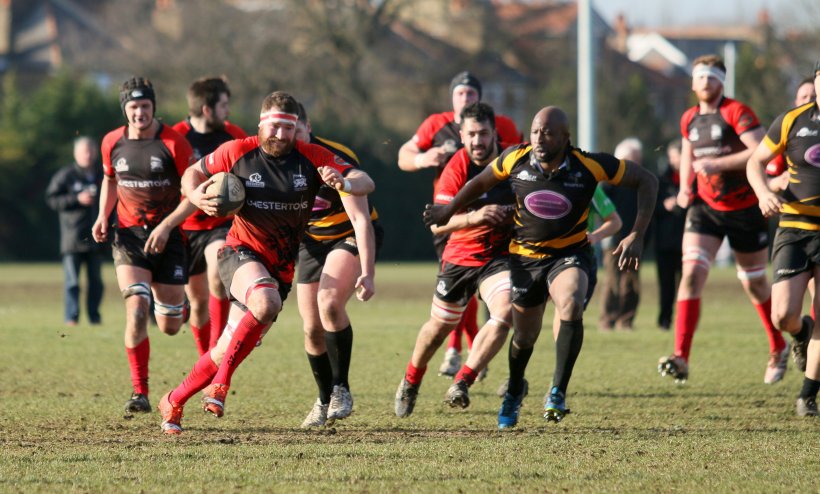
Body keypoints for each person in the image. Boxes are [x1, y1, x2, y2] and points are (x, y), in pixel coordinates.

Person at [156, 91, 375, 435]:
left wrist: (344, 182)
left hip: (281, 269)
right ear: (261, 124)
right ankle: (221, 388)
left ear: (297, 129)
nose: (279, 135)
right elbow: (191, 174)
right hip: (239, 253)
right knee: (265, 301)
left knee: (226, 349)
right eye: (273, 126)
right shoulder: (238, 150)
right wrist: (196, 195)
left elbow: (367, 181)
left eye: (287, 128)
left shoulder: (312, 156)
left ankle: (174, 399)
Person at [425, 106, 658, 429]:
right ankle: (515, 389)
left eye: (547, 132)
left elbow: (647, 180)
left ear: (566, 137)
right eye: (535, 131)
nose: (539, 138)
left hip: (569, 255)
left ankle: (557, 391)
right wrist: (448, 210)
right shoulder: (514, 158)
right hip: (524, 258)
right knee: (524, 337)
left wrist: (636, 234)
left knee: (571, 303)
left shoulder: (589, 165)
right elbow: (479, 183)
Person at [658, 55, 789, 385]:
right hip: (706, 209)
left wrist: (720, 164)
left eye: (712, 77)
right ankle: (681, 357)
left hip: (745, 208)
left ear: (722, 82)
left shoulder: (737, 112)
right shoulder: (689, 118)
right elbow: (689, 152)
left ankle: (778, 346)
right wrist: (686, 188)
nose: (705, 82)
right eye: (700, 77)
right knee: (690, 275)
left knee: (755, 283)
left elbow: (761, 150)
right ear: (692, 82)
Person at [398, 71, 523, 378]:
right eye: (459, 93)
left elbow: (524, 162)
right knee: (455, 300)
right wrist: (423, 159)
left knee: (503, 302)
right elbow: (404, 155)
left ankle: (469, 360)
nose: (465, 98)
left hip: (501, 229)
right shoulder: (436, 124)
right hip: (452, 220)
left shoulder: (505, 127)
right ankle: (457, 348)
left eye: (470, 93)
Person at [92, 77, 196, 413]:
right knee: (136, 308)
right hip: (129, 237)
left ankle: (181, 308)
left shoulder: (174, 143)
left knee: (169, 326)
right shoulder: (111, 142)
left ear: (153, 107)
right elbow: (110, 180)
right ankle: (140, 393)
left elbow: (192, 194)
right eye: (134, 107)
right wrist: (101, 216)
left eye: (145, 106)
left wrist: (168, 226)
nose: (140, 113)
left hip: (169, 236)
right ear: (125, 109)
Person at [294, 103, 380, 427]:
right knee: (311, 327)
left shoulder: (329, 156)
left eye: (297, 132)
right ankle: (323, 398)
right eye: (288, 133)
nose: (293, 140)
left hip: (348, 235)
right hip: (311, 244)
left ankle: (341, 387)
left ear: (308, 126)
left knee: (328, 302)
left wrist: (368, 274)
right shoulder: (279, 161)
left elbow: (361, 219)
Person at [746, 63, 819, 416]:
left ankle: (807, 394)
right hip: (793, 229)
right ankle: (800, 330)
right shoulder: (792, 120)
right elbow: (754, 163)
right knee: (782, 315)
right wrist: (763, 193)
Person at [173, 77, 247, 355]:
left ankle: (217, 353)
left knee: (217, 273)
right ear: (207, 109)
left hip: (221, 223)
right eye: (224, 105)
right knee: (198, 301)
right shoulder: (177, 135)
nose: (228, 111)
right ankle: (204, 358)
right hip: (188, 225)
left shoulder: (233, 135)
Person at [45, 136, 105, 326]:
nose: (87, 155)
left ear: (95, 153)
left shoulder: (101, 175)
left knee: (95, 281)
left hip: (95, 237)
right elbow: (52, 199)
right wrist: (76, 199)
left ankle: (94, 317)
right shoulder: (66, 175)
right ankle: (71, 317)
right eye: (83, 151)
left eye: (90, 151)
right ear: (76, 154)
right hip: (72, 238)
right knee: (72, 282)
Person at [599, 138, 644, 331]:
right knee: (613, 281)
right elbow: (602, 210)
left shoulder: (641, 184)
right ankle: (607, 320)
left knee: (632, 283)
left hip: (634, 241)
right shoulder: (609, 184)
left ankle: (626, 321)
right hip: (613, 241)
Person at [654, 140, 686, 330]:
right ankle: (664, 320)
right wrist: (664, 206)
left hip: (686, 241)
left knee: (686, 284)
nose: (673, 160)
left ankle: (685, 321)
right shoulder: (661, 180)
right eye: (672, 157)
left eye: (676, 156)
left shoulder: (692, 180)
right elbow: (652, 209)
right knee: (666, 286)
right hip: (665, 242)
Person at [765, 77, 816, 194]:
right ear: (796, 102)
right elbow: (768, 181)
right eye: (804, 97)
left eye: (813, 97)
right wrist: (779, 181)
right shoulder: (787, 130)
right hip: (796, 208)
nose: (809, 101)